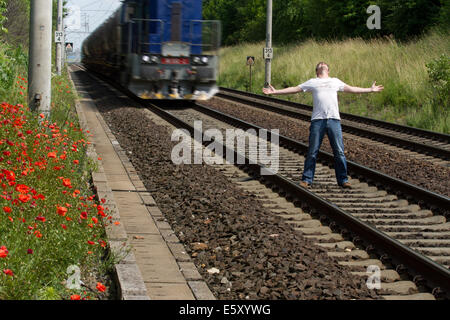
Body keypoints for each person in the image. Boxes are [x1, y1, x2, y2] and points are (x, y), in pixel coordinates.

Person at [262, 62, 384, 188]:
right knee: (312, 151)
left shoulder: (335, 81)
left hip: (333, 120)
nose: (322, 64)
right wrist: (275, 92)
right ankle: (307, 179)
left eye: (324, 64)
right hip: (318, 120)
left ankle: (343, 180)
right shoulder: (312, 82)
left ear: (328, 70)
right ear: (317, 71)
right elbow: (294, 89)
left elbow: (352, 89)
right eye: (320, 65)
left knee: (339, 151)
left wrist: (370, 90)